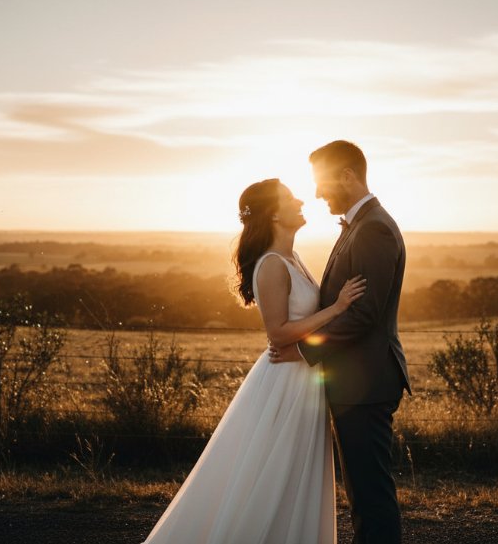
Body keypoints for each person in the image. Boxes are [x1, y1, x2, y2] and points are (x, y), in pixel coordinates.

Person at [142, 177, 366, 544]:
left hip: (303, 376)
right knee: (274, 475)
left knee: (293, 476)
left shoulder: (293, 258)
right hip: (285, 381)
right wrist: (338, 308)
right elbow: (278, 333)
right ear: (274, 214)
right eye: (290, 198)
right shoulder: (272, 265)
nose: (300, 201)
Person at [270, 140, 411, 544]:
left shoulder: (374, 230)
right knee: (363, 493)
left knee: (371, 495)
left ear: (348, 176)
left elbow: (364, 315)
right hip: (357, 381)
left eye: (322, 182)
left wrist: (302, 350)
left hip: (366, 382)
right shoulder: (362, 225)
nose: (316, 193)